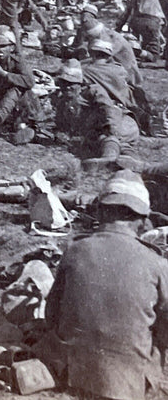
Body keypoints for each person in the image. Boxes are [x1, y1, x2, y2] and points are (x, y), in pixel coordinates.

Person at [40, 169, 168, 400]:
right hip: (129, 384)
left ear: (100, 211)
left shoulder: (74, 250)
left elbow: (52, 316)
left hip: (72, 373)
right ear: (142, 220)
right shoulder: (157, 264)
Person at [54, 57, 140, 165]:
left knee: (105, 138)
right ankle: (130, 162)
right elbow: (62, 126)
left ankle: (108, 159)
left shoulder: (92, 91)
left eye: (71, 83)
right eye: (64, 83)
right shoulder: (63, 103)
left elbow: (109, 109)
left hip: (122, 122)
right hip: (105, 132)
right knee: (97, 141)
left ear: (79, 83)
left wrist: (112, 131)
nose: (67, 87)